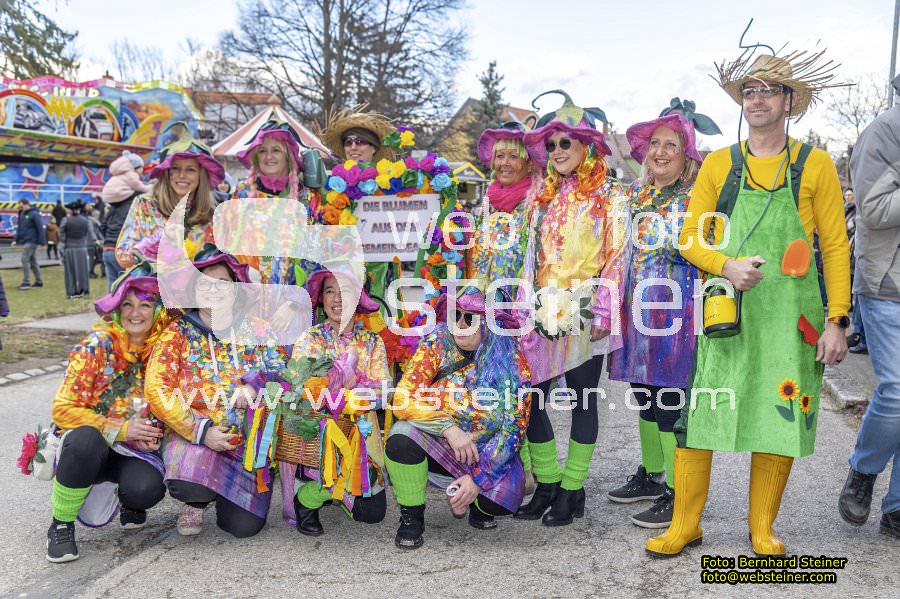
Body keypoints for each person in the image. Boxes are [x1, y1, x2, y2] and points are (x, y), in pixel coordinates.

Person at [647, 47, 850, 557]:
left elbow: (835, 246)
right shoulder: (720, 164)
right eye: (750, 91)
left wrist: (837, 321)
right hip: (727, 314)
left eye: (769, 91)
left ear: (790, 101)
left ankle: (762, 528)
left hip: (791, 315)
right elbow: (690, 238)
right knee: (703, 413)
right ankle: (685, 524)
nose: (757, 99)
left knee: (778, 412)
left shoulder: (815, 165)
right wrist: (726, 266)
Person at [513, 91, 629, 526]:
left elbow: (618, 253)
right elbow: (529, 256)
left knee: (582, 400)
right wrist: (524, 305)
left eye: (566, 143)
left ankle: (572, 489)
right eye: (552, 145)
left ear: (586, 146)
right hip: (541, 311)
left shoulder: (610, 194)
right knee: (531, 400)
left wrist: (605, 309)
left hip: (585, 312)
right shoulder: (541, 196)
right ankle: (547, 483)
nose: (558, 151)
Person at [606, 99, 720, 529]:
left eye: (671, 144)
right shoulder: (636, 194)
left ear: (686, 153)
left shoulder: (698, 198)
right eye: (654, 143)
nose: (660, 151)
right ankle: (653, 475)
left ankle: (678, 491)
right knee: (645, 396)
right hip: (637, 311)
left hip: (678, 315)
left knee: (671, 403)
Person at [145, 245, 285, 538]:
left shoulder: (257, 329)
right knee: (188, 483)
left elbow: (284, 371)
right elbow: (157, 389)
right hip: (197, 440)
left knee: (244, 528)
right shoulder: (177, 333)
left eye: (222, 283)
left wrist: (255, 386)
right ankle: (196, 500)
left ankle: (226, 492)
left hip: (247, 443)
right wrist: (201, 431)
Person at [387, 287, 531, 549]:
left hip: (484, 455)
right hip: (440, 446)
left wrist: (478, 480)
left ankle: (477, 503)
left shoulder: (513, 363)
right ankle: (412, 517)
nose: (460, 324)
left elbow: (513, 430)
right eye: (456, 315)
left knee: (501, 501)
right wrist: (448, 429)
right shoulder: (436, 344)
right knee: (400, 436)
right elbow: (402, 399)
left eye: (470, 318)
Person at [45, 264, 170, 562]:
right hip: (90, 446)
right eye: (127, 304)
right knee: (86, 440)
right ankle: (61, 524)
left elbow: (169, 402)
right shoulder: (97, 346)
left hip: (132, 450)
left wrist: (155, 432)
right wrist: (120, 429)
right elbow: (62, 409)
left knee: (146, 489)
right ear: (116, 309)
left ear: (158, 311)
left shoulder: (163, 351)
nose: (135, 313)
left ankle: (129, 501)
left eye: (145, 305)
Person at [283, 269, 391, 536]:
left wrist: (350, 395)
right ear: (322, 299)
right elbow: (302, 388)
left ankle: (327, 491)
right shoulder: (310, 339)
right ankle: (307, 500)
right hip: (319, 435)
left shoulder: (372, 341)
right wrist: (343, 390)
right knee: (333, 472)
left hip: (362, 434)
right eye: (330, 291)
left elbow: (384, 390)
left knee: (372, 514)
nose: (337, 299)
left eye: (345, 292)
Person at [839, 74, 900, 540]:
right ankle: (863, 469)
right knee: (897, 392)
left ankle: (897, 508)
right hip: (888, 284)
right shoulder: (884, 131)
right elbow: (875, 210)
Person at [467, 121, 541, 491]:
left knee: (521, 393)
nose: (505, 163)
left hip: (520, 313)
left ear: (528, 162)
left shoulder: (536, 204)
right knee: (492, 390)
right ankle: (508, 469)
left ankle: (535, 473)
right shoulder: (488, 202)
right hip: (488, 311)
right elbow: (480, 259)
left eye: (514, 156)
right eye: (500, 156)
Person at [228, 118, 323, 335]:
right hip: (247, 302)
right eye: (262, 151)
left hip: (290, 309)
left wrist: (294, 302)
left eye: (276, 150)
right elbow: (226, 247)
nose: (269, 157)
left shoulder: (307, 199)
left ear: (289, 155)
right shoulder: (242, 194)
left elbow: (317, 254)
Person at [116, 136, 222, 269]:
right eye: (175, 168)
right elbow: (123, 256)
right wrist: (154, 245)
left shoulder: (211, 213)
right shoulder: (146, 204)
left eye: (190, 169)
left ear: (201, 175)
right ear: (167, 173)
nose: (182, 175)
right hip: (153, 281)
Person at [102, 150, 150, 289]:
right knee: (127, 289)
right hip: (123, 251)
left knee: (113, 289)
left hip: (107, 249)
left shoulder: (112, 207)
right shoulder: (134, 205)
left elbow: (103, 226)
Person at [319, 105, 394, 165]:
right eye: (348, 142)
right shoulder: (333, 178)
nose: (353, 147)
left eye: (360, 141)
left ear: (374, 148)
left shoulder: (389, 178)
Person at [59, 201, 96, 299]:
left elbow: (62, 237)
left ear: (70, 210)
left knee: (70, 272)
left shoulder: (65, 220)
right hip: (82, 248)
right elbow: (89, 233)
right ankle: (84, 289)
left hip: (69, 249)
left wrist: (61, 251)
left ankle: (72, 292)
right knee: (83, 271)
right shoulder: (86, 220)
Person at [11, 198, 45, 290]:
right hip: (26, 240)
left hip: (32, 241)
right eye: (19, 206)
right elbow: (19, 228)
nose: (20, 207)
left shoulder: (34, 214)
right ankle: (39, 281)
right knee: (33, 261)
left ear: (26, 204)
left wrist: (42, 242)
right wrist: (15, 240)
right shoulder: (22, 214)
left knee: (24, 259)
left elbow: (40, 228)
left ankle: (26, 282)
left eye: (21, 206)